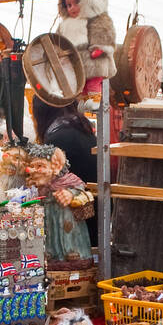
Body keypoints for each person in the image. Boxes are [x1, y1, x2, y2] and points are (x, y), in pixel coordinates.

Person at [32, 95, 99, 242]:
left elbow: (51, 184)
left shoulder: (57, 138)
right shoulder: (80, 127)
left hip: (76, 226)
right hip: (96, 219)